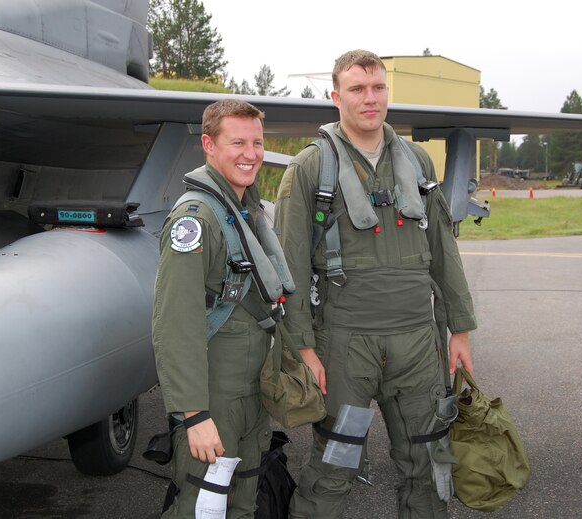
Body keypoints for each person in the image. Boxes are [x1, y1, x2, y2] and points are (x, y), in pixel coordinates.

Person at [274, 50, 477, 518]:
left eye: (378, 88)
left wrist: (459, 330)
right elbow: (290, 271)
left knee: (428, 463)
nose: (371, 99)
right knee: (335, 464)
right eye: (357, 89)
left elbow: (444, 251)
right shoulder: (310, 169)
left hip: (417, 345)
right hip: (347, 348)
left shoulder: (418, 162)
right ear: (335, 97)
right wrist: (304, 350)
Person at [152, 99, 293, 518]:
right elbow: (175, 324)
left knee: (243, 506)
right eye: (238, 143)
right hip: (214, 399)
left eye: (257, 142)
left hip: (250, 396)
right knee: (202, 509)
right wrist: (194, 415)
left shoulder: (246, 212)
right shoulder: (197, 220)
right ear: (209, 145)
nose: (251, 154)